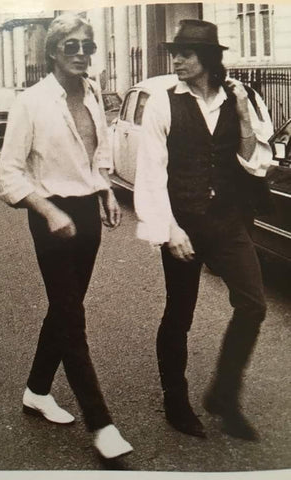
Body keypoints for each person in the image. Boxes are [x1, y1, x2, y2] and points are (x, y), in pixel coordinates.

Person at [0, 13, 133, 459]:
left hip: (86, 214)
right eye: (70, 46)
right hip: (48, 214)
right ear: (52, 51)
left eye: (86, 46)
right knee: (72, 316)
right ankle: (102, 423)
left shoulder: (92, 94)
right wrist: (49, 210)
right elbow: (9, 174)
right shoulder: (31, 102)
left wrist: (105, 190)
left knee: (64, 309)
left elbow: (97, 152)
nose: (80, 53)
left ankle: (37, 390)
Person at [134, 19, 273, 441]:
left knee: (253, 305)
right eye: (174, 52)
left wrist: (245, 112)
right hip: (184, 222)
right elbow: (150, 174)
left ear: (209, 59)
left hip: (228, 220)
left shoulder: (242, 97)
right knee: (180, 313)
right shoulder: (162, 102)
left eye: (186, 53)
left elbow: (256, 162)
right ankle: (175, 399)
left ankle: (224, 395)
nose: (176, 59)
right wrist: (168, 229)